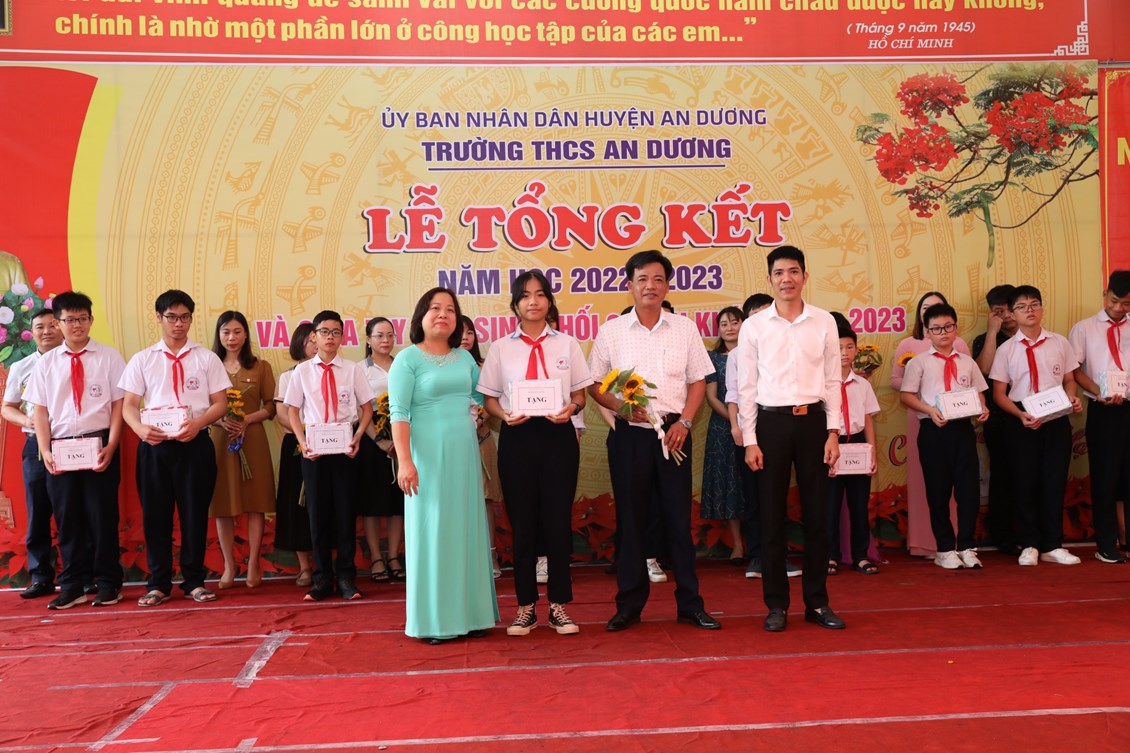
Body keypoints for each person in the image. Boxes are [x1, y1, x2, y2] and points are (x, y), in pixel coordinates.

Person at [588, 250, 720, 632]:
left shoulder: (684, 329)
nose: (651, 286)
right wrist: (620, 407)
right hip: (631, 437)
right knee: (631, 521)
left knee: (678, 520)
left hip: (675, 436)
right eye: (643, 279)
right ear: (629, 284)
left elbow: (698, 381)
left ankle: (690, 604)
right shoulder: (612, 331)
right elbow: (595, 383)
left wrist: (687, 422)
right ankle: (629, 605)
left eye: (658, 279)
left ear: (667, 286)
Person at [736, 245, 845, 632]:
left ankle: (817, 603)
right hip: (771, 425)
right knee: (771, 518)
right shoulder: (754, 327)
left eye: (794, 271)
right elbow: (746, 388)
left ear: (805, 276)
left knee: (817, 517)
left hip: (814, 423)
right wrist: (750, 439)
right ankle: (776, 605)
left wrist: (834, 432)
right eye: (779, 273)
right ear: (770, 279)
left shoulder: (824, 321)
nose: (787, 279)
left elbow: (833, 380)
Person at [479, 271, 592, 636]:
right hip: (518, 437)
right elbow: (489, 399)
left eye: (540, 294)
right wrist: (504, 415)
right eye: (525, 295)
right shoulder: (501, 348)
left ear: (549, 302)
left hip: (558, 437)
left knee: (558, 522)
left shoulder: (568, 344)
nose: (533, 301)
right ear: (515, 304)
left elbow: (580, 395)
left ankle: (559, 606)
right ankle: (525, 606)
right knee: (523, 523)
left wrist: (572, 409)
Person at [390, 288, 498, 643]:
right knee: (433, 532)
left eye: (450, 310)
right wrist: (405, 462)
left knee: (466, 529)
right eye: (435, 308)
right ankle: (435, 622)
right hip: (426, 458)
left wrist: (495, 412)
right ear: (421, 315)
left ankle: (473, 615)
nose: (443, 315)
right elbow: (398, 413)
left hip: (464, 455)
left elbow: (483, 400)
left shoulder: (464, 359)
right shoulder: (407, 359)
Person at [120, 289, 229, 606]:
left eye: (184, 317)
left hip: (195, 445)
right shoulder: (143, 359)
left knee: (195, 514)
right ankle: (158, 584)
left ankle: (194, 581)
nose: (178, 323)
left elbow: (220, 403)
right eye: (171, 317)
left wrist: (198, 423)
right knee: (156, 516)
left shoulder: (206, 358)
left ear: (191, 319)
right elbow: (129, 405)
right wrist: (140, 428)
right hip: (155, 447)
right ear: (159, 318)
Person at [24, 292, 126, 608]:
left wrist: (112, 444)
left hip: (99, 444)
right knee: (67, 519)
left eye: (82, 318)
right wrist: (46, 450)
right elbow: (40, 411)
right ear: (59, 323)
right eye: (69, 319)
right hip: (61, 448)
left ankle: (108, 582)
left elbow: (119, 405)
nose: (77, 325)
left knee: (102, 516)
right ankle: (73, 585)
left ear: (91, 320)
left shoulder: (109, 357)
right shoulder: (46, 364)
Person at [989, 285, 1082, 566]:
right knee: (1024, 482)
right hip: (1022, 420)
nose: (1029, 311)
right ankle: (1029, 543)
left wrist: (1072, 397)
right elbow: (999, 394)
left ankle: (1052, 545)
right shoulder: (1006, 349)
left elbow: (1069, 380)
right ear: (1012, 314)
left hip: (1056, 417)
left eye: (1034, 304)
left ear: (1042, 308)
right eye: (1021, 307)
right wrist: (1019, 415)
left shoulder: (1059, 342)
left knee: (1054, 481)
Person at [285, 310, 374, 601]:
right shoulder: (302, 371)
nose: (330, 337)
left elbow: (367, 409)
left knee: (345, 512)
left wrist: (358, 437)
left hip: (345, 449)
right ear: (314, 336)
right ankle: (322, 578)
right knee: (317, 514)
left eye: (336, 332)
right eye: (324, 332)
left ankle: (346, 577)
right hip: (314, 451)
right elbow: (292, 411)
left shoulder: (352, 370)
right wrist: (302, 443)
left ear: (343, 337)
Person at [899, 303, 990, 570]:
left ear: (955, 328)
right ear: (927, 332)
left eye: (948, 327)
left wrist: (983, 407)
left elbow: (979, 392)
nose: (943, 333)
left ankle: (967, 546)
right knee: (938, 492)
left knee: (968, 491)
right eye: (937, 328)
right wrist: (930, 410)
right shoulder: (919, 362)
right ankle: (945, 548)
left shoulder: (967, 362)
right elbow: (906, 396)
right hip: (933, 431)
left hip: (963, 430)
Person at [890, 291, 972, 557]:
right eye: (927, 308)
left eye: (938, 308)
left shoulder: (961, 347)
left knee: (962, 486)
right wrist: (922, 392)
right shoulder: (909, 346)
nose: (933, 313)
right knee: (930, 483)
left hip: (959, 421)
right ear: (922, 318)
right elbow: (896, 382)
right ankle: (929, 544)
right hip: (923, 418)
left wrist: (976, 406)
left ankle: (961, 545)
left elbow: (972, 385)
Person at [209, 311, 276, 589]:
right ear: (219, 335)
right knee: (222, 504)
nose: (232, 337)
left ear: (246, 334)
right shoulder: (208, 365)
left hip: (253, 438)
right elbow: (200, 406)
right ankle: (228, 566)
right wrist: (219, 420)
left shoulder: (260, 367)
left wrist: (246, 419)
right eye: (226, 332)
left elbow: (271, 406)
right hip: (220, 440)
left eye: (237, 331)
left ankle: (253, 564)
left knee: (255, 502)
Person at [1069, 271, 1130, 564]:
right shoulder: (1084, 329)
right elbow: (1074, 370)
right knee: (1105, 478)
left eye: (1126, 303)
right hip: (1103, 410)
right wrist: (1099, 391)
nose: (1118, 308)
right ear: (1105, 295)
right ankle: (1105, 544)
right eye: (1114, 300)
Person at [1, 308, 62, 599]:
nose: (47, 331)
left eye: (52, 325)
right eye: (40, 327)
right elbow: (7, 408)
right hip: (35, 444)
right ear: (31, 332)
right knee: (38, 510)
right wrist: (29, 420)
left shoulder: (73, 361)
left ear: (62, 327)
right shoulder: (21, 367)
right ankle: (40, 577)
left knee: (74, 509)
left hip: (70, 441)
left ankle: (82, 574)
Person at [726, 293, 778, 580]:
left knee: (776, 494)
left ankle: (778, 556)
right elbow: (734, 393)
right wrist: (738, 428)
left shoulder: (784, 346)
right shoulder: (737, 354)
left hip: (779, 427)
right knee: (754, 496)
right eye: (756, 316)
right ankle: (758, 556)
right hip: (749, 432)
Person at [827, 316, 881, 575]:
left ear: (857, 350)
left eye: (849, 347)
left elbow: (868, 418)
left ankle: (860, 555)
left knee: (859, 505)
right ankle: (830, 556)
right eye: (838, 348)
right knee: (830, 505)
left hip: (858, 444)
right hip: (831, 444)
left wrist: (872, 451)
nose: (844, 353)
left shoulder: (863, 384)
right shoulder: (821, 384)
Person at [972, 285, 1020, 555]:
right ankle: (1003, 535)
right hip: (999, 418)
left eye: (1011, 309)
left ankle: (1032, 532)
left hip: (1033, 414)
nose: (1007, 316)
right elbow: (983, 370)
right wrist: (992, 332)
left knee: (1031, 475)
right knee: (1002, 475)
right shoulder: (984, 339)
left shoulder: (1034, 336)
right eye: (999, 311)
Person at [358, 316, 405, 582]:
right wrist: (379, 440)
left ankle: (394, 556)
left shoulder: (404, 364)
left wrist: (399, 439)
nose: (386, 340)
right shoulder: (359, 369)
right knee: (372, 502)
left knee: (398, 500)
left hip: (401, 433)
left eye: (390, 335)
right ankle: (376, 557)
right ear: (368, 339)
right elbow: (358, 409)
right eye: (379, 336)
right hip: (371, 436)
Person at [701, 305, 749, 563]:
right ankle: (738, 544)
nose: (729, 328)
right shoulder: (712, 358)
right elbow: (711, 397)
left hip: (756, 425)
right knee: (730, 483)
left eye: (734, 322)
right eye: (724, 324)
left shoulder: (755, 352)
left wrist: (749, 422)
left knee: (752, 483)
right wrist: (735, 421)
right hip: (723, 428)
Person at [459, 315, 504, 578]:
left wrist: (477, 420)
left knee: (485, 497)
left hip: (481, 438)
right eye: (460, 332)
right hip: (451, 441)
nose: (465, 337)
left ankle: (491, 555)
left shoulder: (484, 366)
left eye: (470, 333)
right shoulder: (443, 365)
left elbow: (491, 401)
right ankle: (462, 557)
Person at [272, 323, 315, 587]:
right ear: (299, 343)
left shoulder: (335, 373)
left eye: (318, 338)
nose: (315, 344)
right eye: (310, 340)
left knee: (325, 503)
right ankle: (304, 567)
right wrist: (306, 433)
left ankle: (325, 564)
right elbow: (281, 415)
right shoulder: (288, 376)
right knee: (297, 505)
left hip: (329, 444)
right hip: (297, 444)